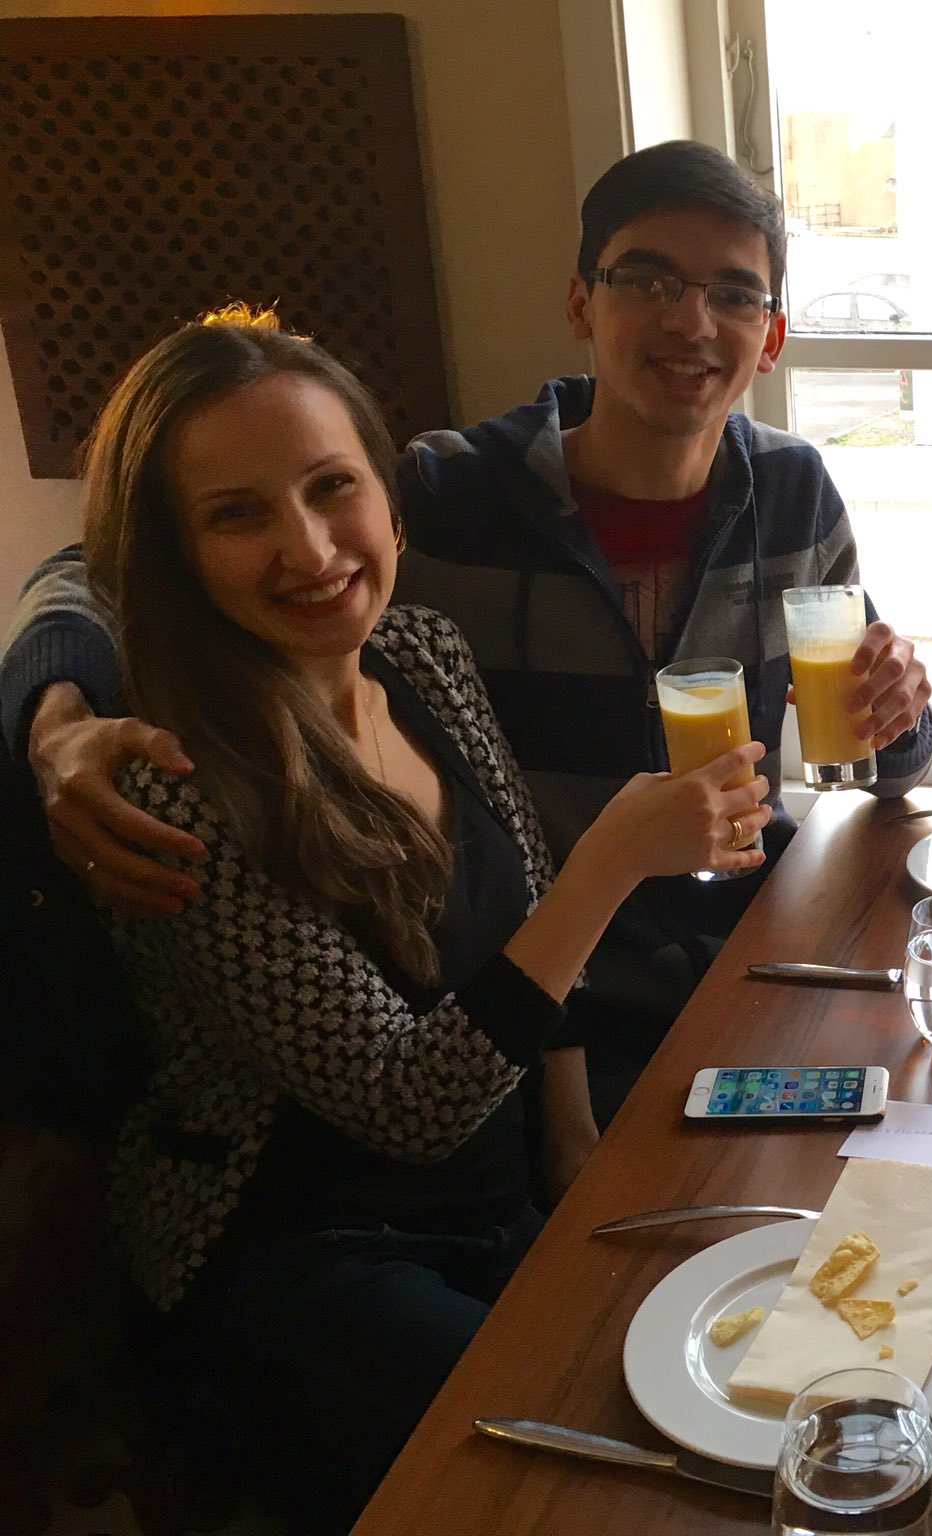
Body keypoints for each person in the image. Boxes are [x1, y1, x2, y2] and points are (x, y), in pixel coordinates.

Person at [1, 140, 932, 1121]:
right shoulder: (447, 497)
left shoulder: (793, 496)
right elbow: (98, 570)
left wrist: (901, 716)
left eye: (732, 293)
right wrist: (55, 713)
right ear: (581, 301)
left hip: (753, 955)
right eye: (648, 278)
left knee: (925, 1157)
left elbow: (876, 756)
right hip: (547, 1009)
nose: (689, 320)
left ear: (771, 335)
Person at [69, 305, 774, 1532]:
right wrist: (605, 865)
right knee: (613, 1485)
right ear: (173, 554)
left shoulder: (424, 656)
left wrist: (574, 1159)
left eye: (331, 488)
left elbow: (523, 956)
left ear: (390, 506)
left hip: (491, 1200)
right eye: (237, 515)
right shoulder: (174, 781)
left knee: (750, 1352)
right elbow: (408, 1104)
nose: (308, 547)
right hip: (303, 1263)